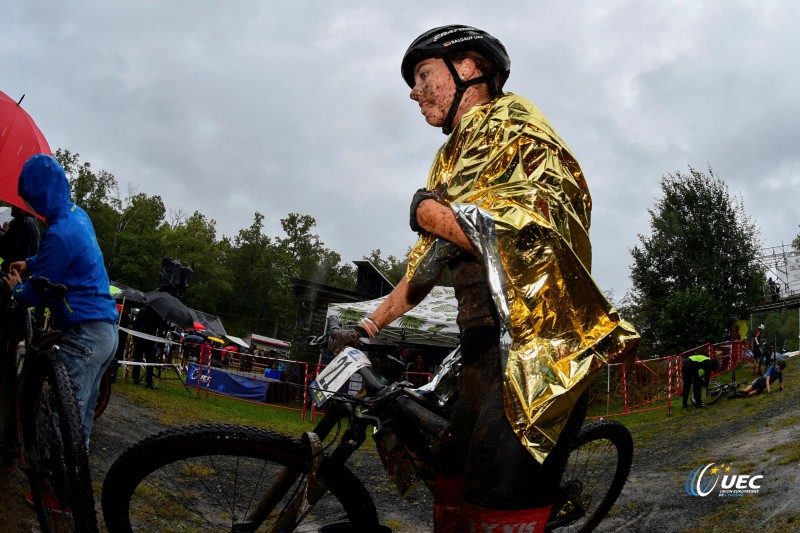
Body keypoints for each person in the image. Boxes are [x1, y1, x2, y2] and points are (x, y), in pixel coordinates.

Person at [329, 25, 639, 532]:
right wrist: (365, 330)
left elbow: (538, 235)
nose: (413, 91)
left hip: (537, 347)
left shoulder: (517, 124)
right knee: (448, 477)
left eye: (423, 74)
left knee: (496, 496)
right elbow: (423, 268)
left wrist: (433, 215)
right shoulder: (449, 155)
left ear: (468, 67)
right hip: (477, 347)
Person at [2, 154, 118, 450]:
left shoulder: (58, 233)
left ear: (38, 193)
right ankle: (72, 484)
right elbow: (57, 257)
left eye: (29, 197)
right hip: (105, 332)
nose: (28, 205)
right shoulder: (77, 215)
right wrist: (30, 263)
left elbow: (37, 291)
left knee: (61, 417)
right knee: (81, 417)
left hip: (85, 335)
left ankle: (56, 490)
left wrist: (17, 289)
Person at [131, 305, 167, 389]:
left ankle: (136, 378)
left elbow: (137, 323)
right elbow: (161, 326)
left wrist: (135, 337)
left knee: (139, 358)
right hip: (149, 339)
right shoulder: (156, 312)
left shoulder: (142, 310)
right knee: (149, 360)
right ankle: (148, 380)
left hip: (141, 337)